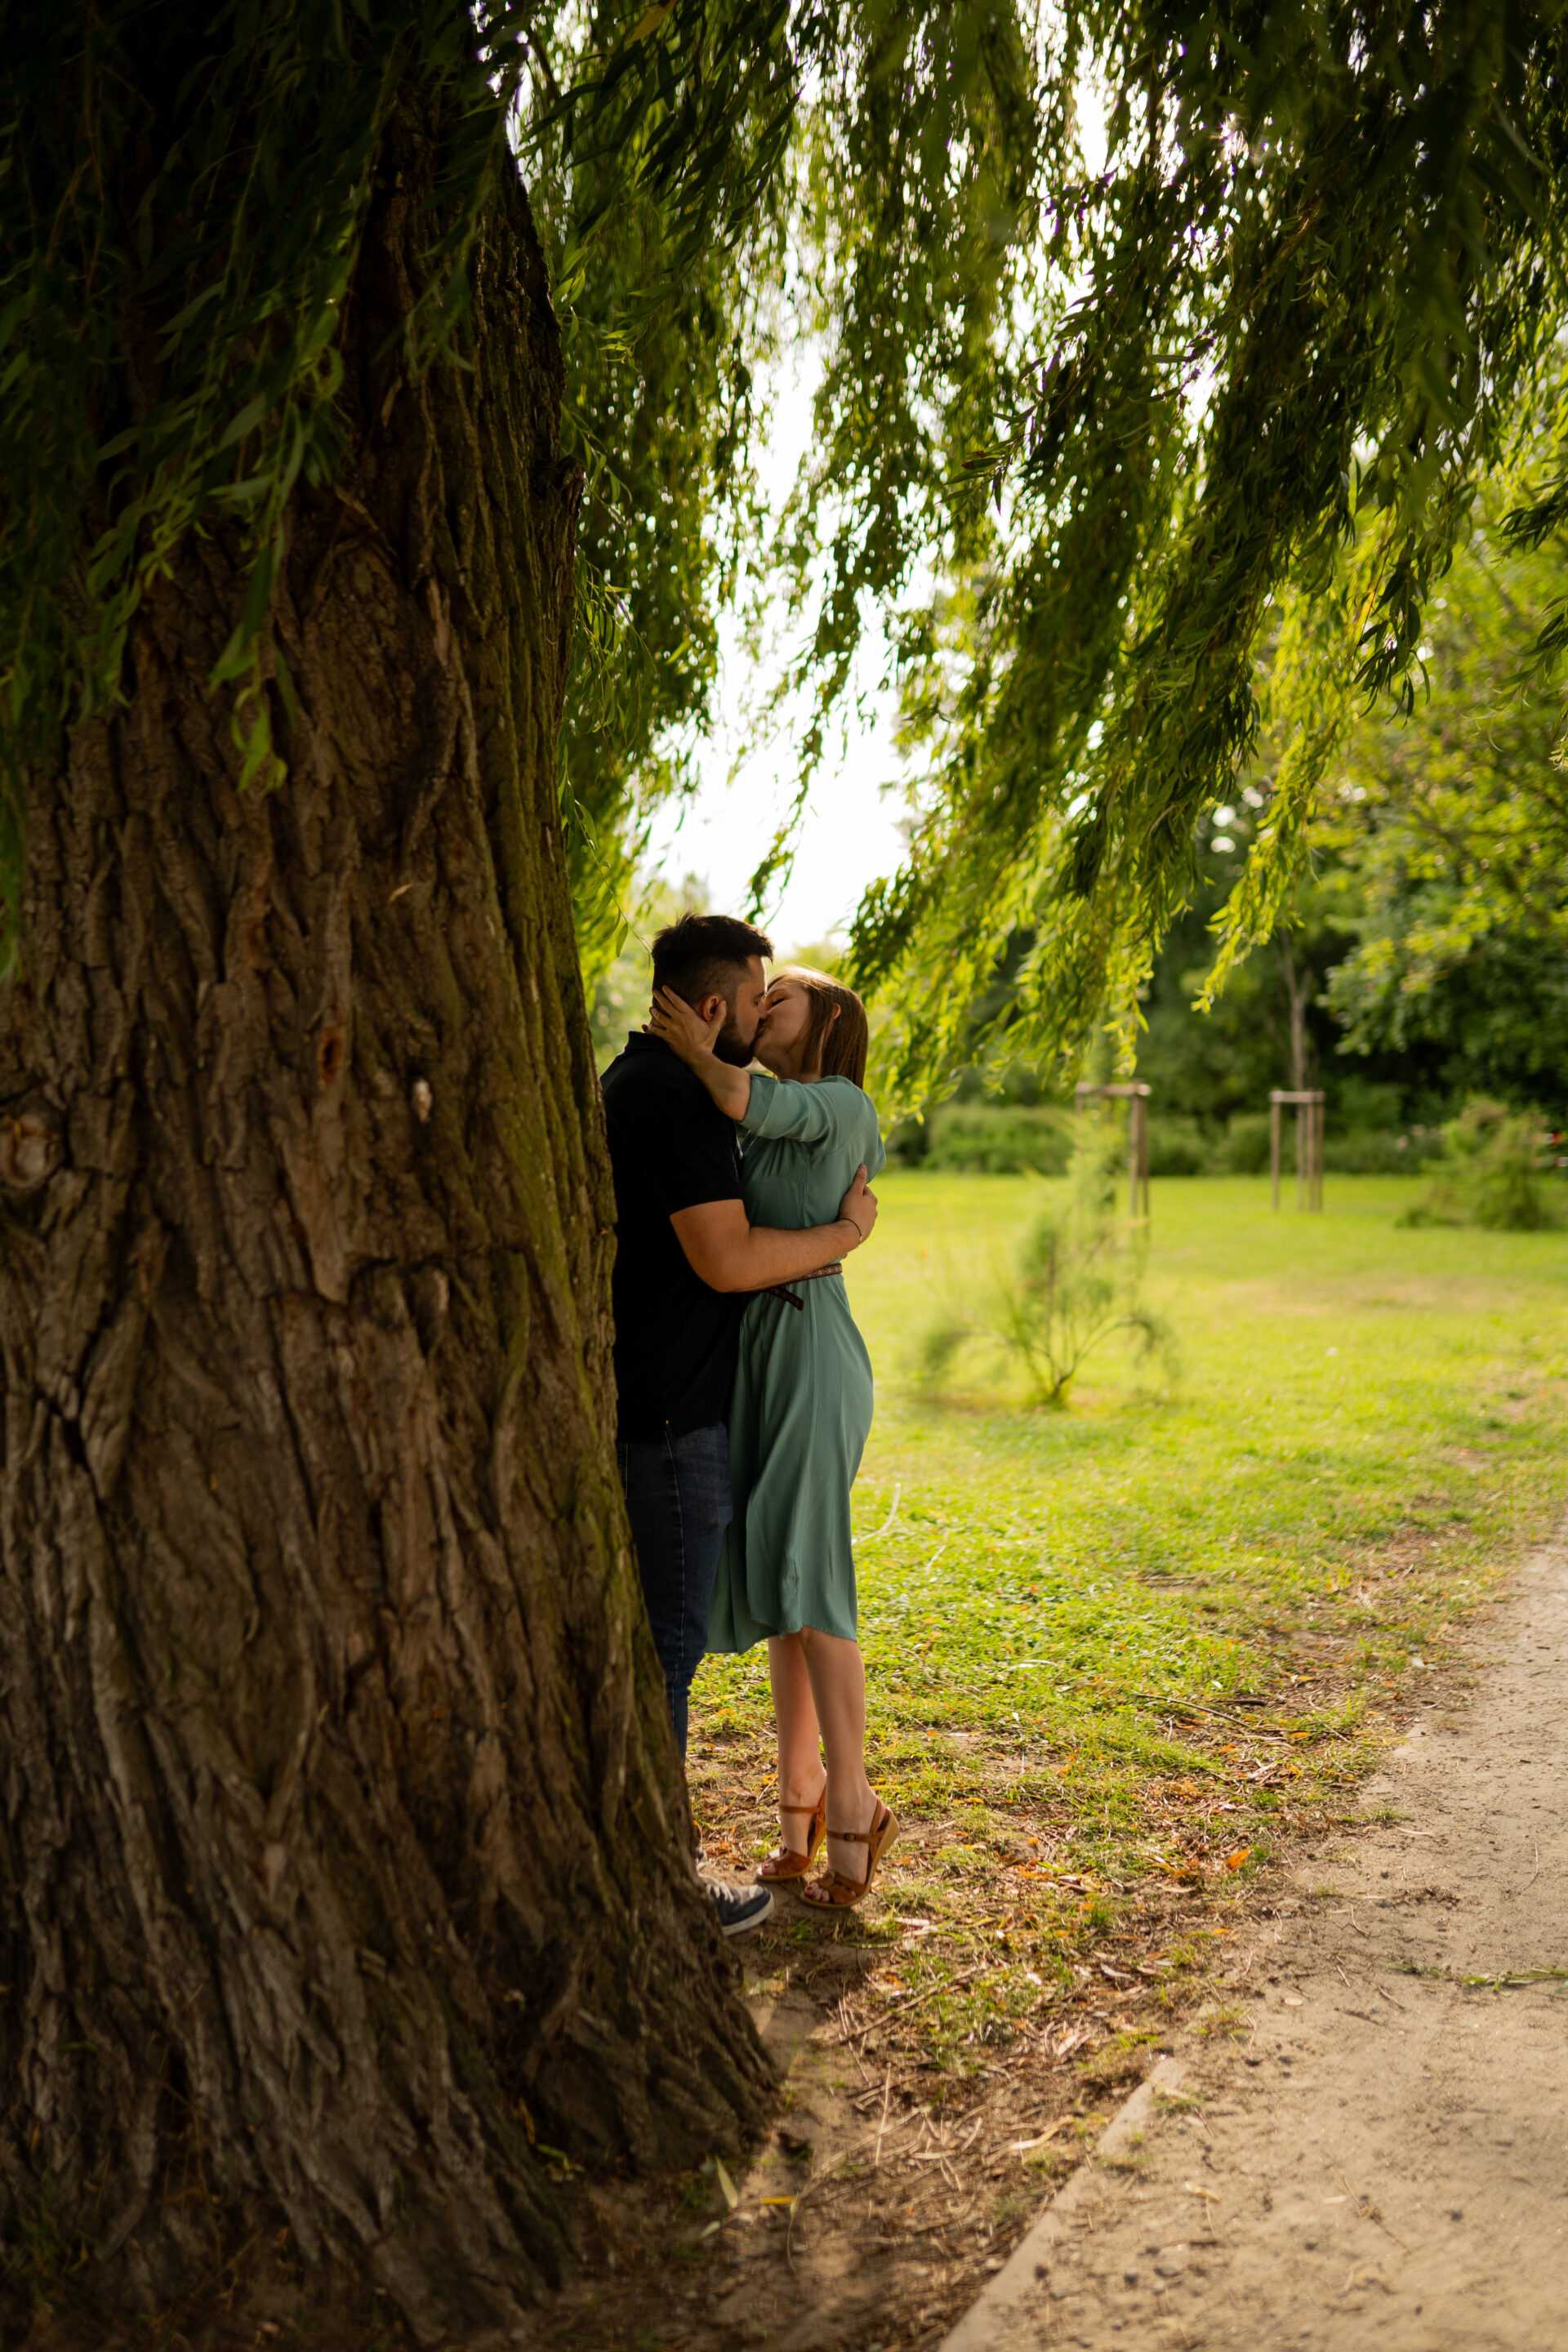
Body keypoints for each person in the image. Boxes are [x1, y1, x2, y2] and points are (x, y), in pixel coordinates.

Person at [600, 916, 880, 1936]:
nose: (766, 1011)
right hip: (742, 1360)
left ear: (822, 1026)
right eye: (758, 998)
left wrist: (847, 1237)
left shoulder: (830, 1104)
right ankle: (798, 1803)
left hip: (801, 1348)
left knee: (811, 1576)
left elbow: (733, 1099)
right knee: (774, 1584)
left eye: (783, 1001)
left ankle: (849, 1804)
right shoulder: (738, 1107)